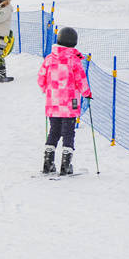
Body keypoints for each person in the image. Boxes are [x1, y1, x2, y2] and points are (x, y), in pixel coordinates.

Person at [37, 27, 92, 175]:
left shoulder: (49, 59)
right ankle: (65, 165)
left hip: (53, 103)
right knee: (68, 132)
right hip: (70, 104)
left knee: (54, 131)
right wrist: (87, 93)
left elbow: (41, 78)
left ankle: (48, 163)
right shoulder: (74, 60)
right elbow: (81, 80)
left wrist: (46, 90)